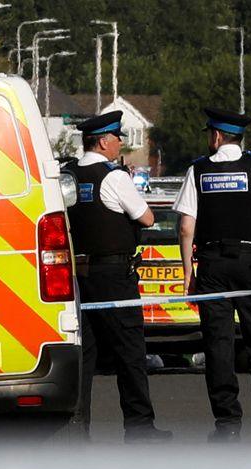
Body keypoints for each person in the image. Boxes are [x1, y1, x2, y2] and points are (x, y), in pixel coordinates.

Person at [174, 107, 251, 442]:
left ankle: (227, 425)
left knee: (218, 345)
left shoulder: (197, 171)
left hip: (213, 265)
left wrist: (190, 272)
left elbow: (187, 228)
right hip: (249, 263)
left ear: (216, 136)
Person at [65, 110, 172, 444]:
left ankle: (77, 428)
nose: (121, 143)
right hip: (114, 274)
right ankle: (139, 426)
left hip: (79, 276)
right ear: (103, 140)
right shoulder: (113, 177)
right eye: (117, 137)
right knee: (130, 351)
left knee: (85, 355)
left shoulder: (66, 175)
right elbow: (148, 218)